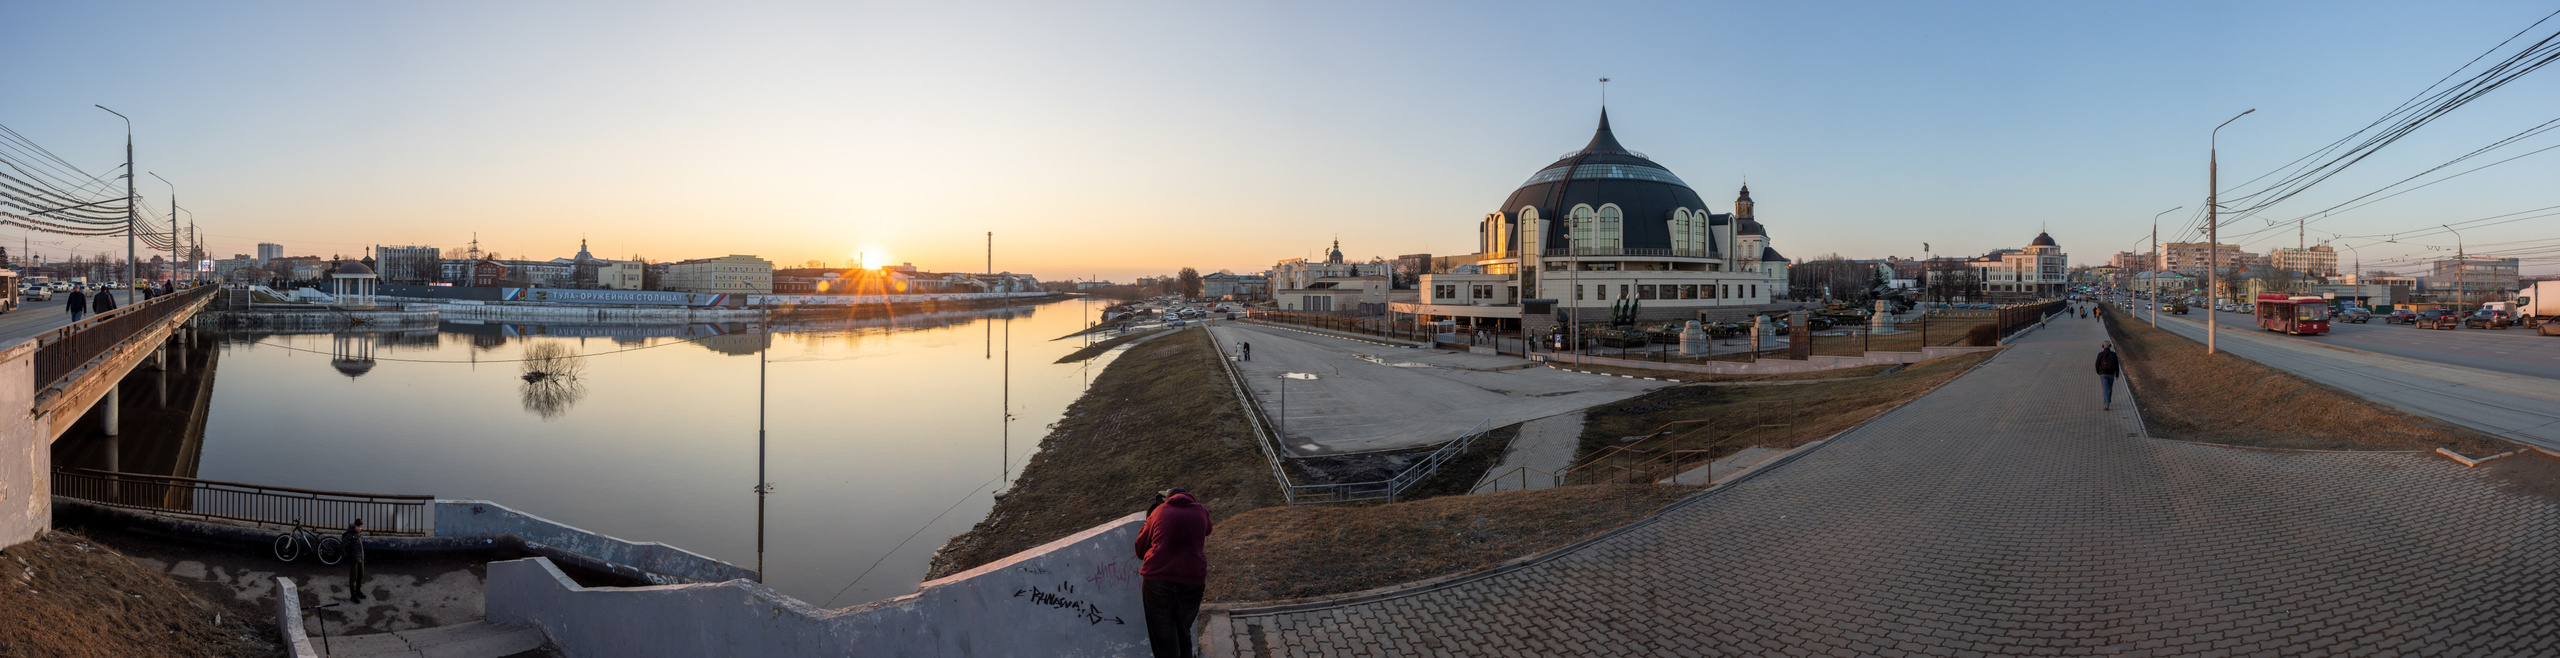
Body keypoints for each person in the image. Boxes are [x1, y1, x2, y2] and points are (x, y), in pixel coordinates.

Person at [1135, 488, 1212, 658]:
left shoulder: (1158, 512)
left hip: (1158, 580)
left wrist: (1148, 524)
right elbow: (1208, 530)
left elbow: (1140, 550)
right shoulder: (1201, 511)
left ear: (1167, 499)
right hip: (1193, 581)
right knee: (1183, 630)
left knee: (1162, 635)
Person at [344, 519, 368, 603]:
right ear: (355, 525)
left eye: (361, 527)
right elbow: (341, 546)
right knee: (353, 578)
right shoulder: (350, 535)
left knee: (360, 576)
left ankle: (358, 592)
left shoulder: (358, 533)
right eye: (358, 527)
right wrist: (347, 556)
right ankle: (353, 595)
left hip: (360, 558)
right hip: (354, 559)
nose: (359, 528)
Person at [2095, 341, 2121, 411]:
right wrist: (2117, 374)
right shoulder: (2114, 354)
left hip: (2103, 374)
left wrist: (2098, 371)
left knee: (2105, 389)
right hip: (2111, 374)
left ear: (2103, 346)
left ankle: (2107, 404)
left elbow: (2097, 364)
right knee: (2110, 388)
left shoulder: (2100, 354)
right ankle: (2108, 401)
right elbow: (2116, 365)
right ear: (2110, 346)